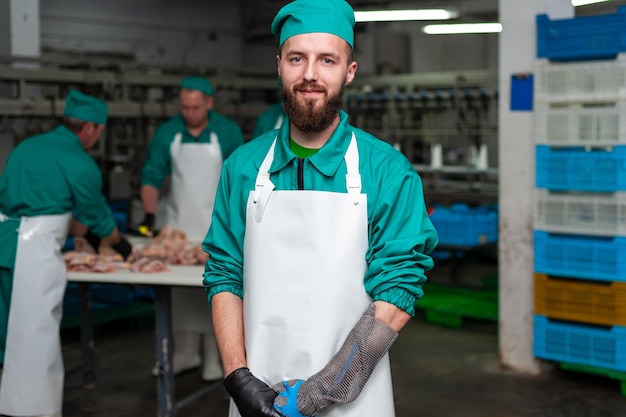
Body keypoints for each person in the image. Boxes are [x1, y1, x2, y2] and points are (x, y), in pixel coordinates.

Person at [202, 0, 438, 416]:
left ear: (349, 71)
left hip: (353, 397)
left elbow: (396, 296)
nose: (310, 74)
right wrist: (238, 378)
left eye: (327, 59)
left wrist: (317, 394)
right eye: (297, 58)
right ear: (279, 65)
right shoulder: (242, 168)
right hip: (255, 394)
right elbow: (224, 274)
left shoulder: (387, 172)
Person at [0, 89, 132, 417]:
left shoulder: (27, 147)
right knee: (33, 338)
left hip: (4, 242)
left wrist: (79, 229)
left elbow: (30, 203)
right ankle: (30, 410)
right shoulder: (79, 162)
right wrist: (118, 242)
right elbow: (97, 213)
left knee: (5, 332)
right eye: (100, 132)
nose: (97, 138)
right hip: (32, 253)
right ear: (89, 128)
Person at [138, 76, 244, 381]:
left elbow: (239, 180)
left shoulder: (227, 132)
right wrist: (148, 215)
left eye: (196, 107)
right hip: (178, 228)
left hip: (216, 227)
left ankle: (215, 356)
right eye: (185, 107)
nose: (190, 113)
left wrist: (236, 226)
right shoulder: (167, 132)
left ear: (209, 103)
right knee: (179, 295)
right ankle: (184, 353)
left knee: (217, 290)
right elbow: (152, 174)